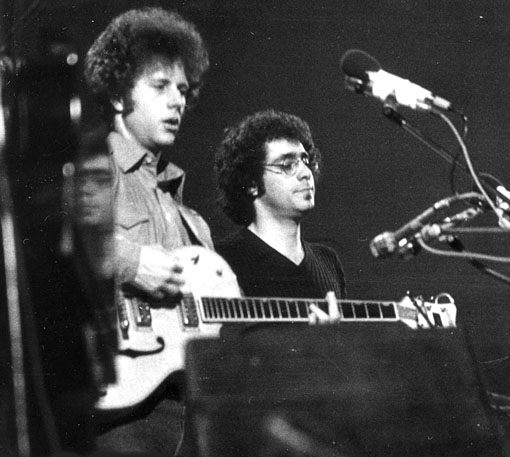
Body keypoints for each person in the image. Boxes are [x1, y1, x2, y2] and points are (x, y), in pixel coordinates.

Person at [83, 7, 211, 456]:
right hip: (117, 421)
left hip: (186, 418)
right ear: (119, 95)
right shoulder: (93, 166)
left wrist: (308, 333)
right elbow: (45, 238)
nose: (178, 101)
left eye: (183, 90)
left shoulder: (192, 219)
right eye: (160, 86)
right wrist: (133, 261)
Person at [215, 109, 346, 324]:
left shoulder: (328, 261)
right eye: (287, 165)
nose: (306, 173)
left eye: (305, 160)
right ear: (251, 183)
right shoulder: (221, 260)